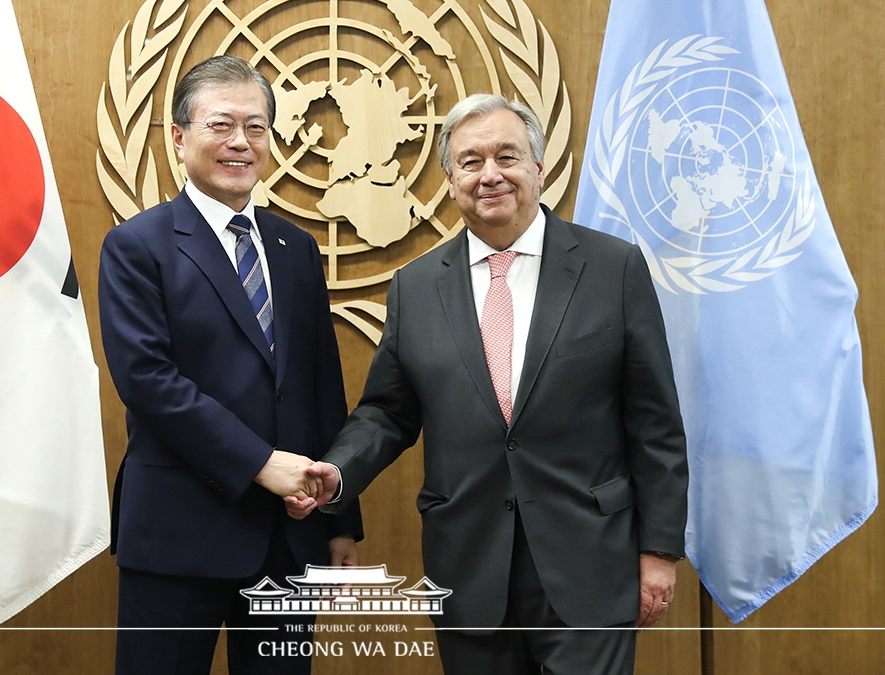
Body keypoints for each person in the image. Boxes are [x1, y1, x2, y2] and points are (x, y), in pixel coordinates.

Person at [288, 94, 688, 675]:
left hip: (589, 563)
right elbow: (386, 413)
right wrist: (339, 473)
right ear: (450, 181)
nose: (490, 174)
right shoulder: (415, 286)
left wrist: (658, 552)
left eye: (507, 156)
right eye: (471, 162)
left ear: (538, 169)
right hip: (470, 566)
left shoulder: (614, 268)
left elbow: (656, 423)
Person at [98, 55, 363, 675]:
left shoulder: (294, 247)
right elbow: (149, 382)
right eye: (221, 125)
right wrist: (260, 464)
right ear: (180, 137)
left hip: (288, 540)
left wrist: (339, 519)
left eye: (257, 127)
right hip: (177, 533)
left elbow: (322, 388)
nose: (240, 142)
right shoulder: (137, 245)